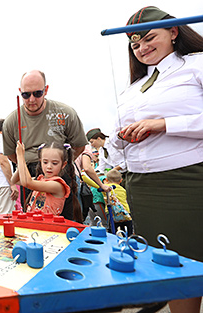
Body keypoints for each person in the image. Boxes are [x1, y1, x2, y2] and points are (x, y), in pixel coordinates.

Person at [110, 6, 203, 312]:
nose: (142, 48)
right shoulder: (132, 89)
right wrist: (119, 139)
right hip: (143, 190)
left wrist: (163, 124)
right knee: (172, 270)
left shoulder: (197, 64)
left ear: (174, 32)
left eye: (150, 38)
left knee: (195, 263)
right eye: (135, 44)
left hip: (189, 182)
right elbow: (114, 150)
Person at [2, 70, 88, 221]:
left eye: (38, 93)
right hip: (29, 174)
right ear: (20, 92)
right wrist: (24, 167)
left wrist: (58, 164)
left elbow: (79, 146)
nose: (32, 99)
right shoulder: (11, 121)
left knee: (69, 224)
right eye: (26, 95)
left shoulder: (65, 113)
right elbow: (12, 157)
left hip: (61, 175)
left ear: (46, 90)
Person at [13, 141, 78, 218]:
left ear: (63, 165)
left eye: (54, 163)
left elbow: (27, 182)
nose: (49, 166)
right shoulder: (40, 180)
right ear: (40, 162)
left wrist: (21, 157)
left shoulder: (57, 185)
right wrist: (21, 163)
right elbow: (15, 180)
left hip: (47, 227)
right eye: (45, 162)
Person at [103, 169, 133, 234]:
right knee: (128, 231)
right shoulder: (123, 189)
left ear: (106, 180)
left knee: (112, 231)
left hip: (112, 212)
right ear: (121, 180)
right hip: (125, 212)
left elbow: (93, 184)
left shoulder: (106, 187)